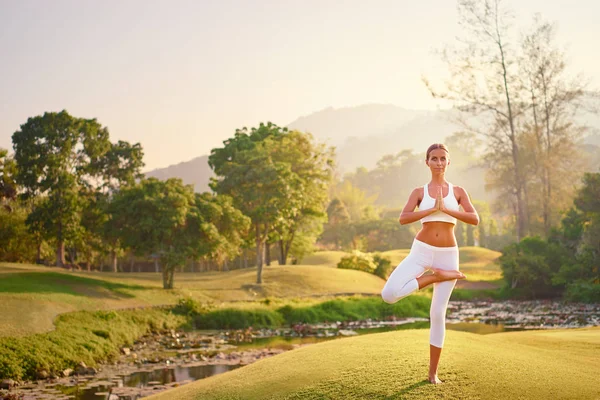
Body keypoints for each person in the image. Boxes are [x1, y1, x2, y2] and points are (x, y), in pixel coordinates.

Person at [381, 143, 479, 384]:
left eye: (442, 158)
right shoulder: (419, 192)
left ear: (448, 162)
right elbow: (403, 218)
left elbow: (474, 218)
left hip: (448, 254)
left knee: (437, 313)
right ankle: (434, 277)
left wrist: (446, 209)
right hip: (421, 252)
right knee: (389, 294)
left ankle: (433, 374)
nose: (438, 162)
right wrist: (429, 211)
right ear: (427, 162)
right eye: (433, 158)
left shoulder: (458, 191)